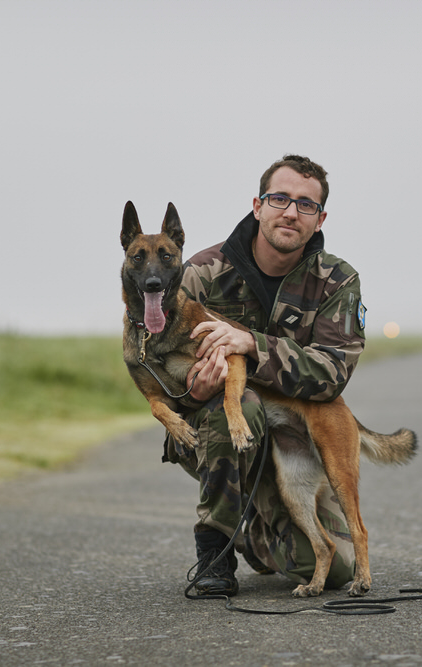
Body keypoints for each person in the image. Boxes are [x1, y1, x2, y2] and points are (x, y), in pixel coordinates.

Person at [162, 155, 367, 595]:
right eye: (280, 198)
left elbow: (332, 374)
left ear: (320, 218)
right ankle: (216, 552)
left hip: (297, 437)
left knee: (338, 572)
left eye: (305, 205)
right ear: (257, 205)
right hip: (221, 429)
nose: (290, 212)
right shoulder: (200, 273)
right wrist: (192, 392)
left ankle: (256, 530)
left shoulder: (337, 281)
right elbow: (162, 368)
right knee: (241, 404)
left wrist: (251, 345)